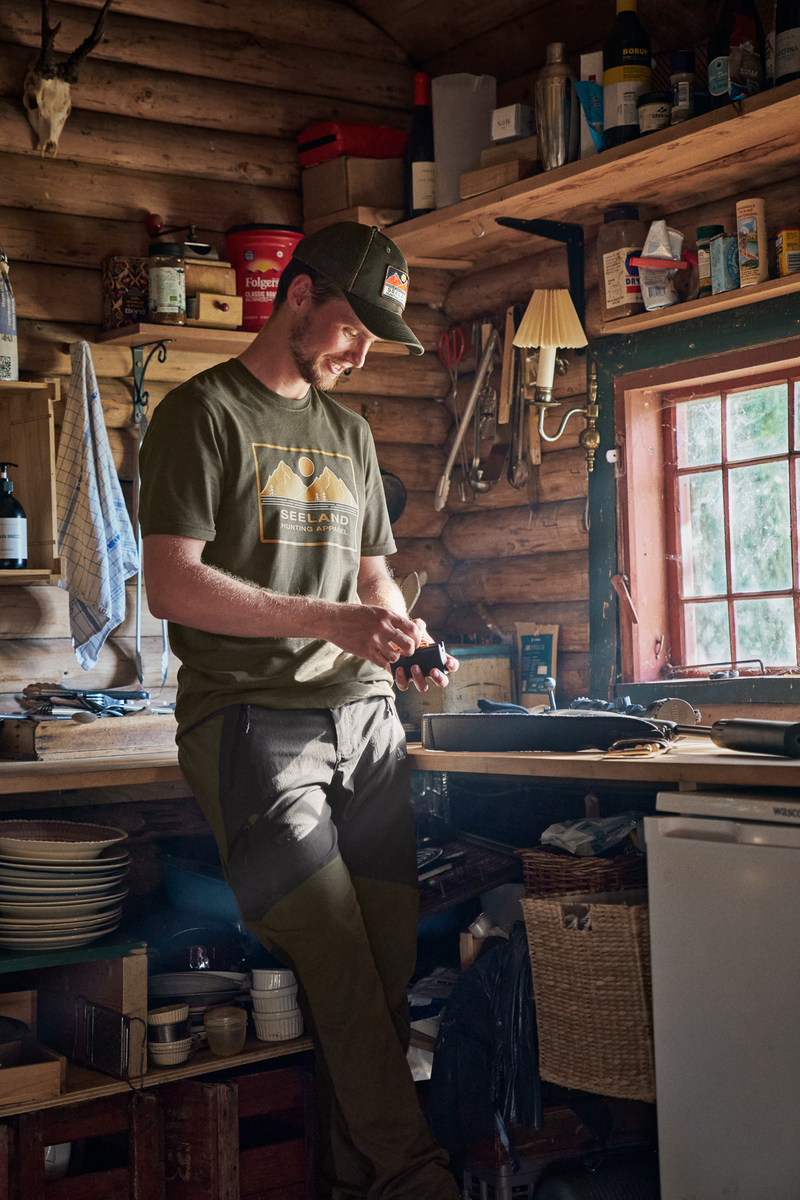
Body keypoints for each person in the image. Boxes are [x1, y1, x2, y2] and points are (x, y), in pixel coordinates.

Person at [139, 222, 461, 1200]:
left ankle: (346, 1183)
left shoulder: (350, 434)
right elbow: (170, 585)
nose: (361, 351)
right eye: (353, 326)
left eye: (376, 336)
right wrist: (335, 619)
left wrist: (401, 639)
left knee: (388, 967)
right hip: (250, 724)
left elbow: (373, 576)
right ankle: (418, 1184)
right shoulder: (201, 415)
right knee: (341, 971)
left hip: (364, 719)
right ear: (298, 294)